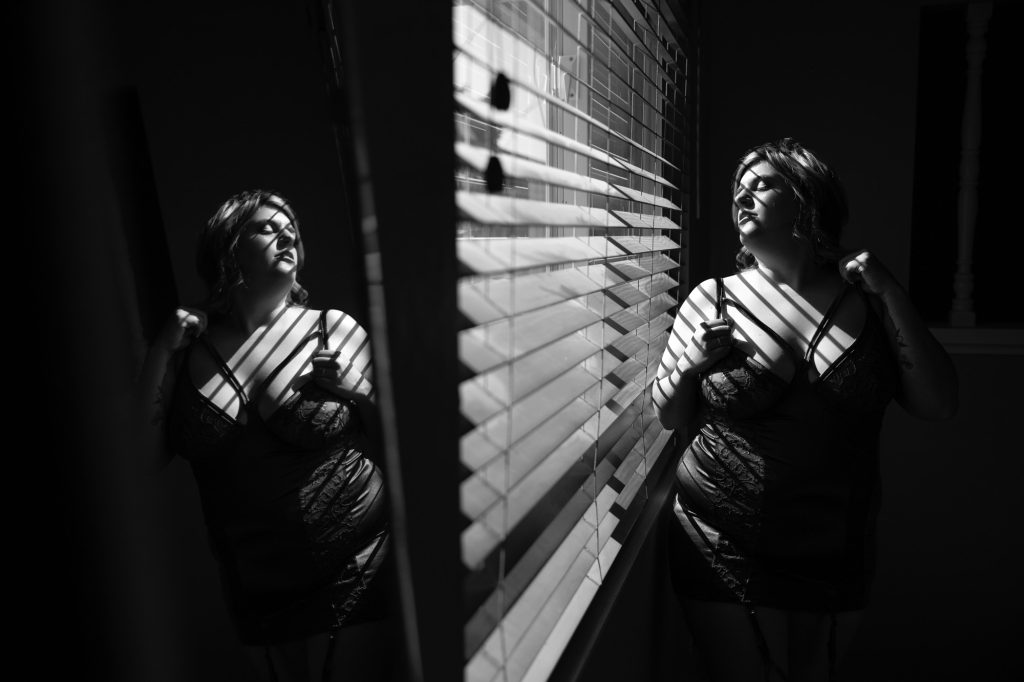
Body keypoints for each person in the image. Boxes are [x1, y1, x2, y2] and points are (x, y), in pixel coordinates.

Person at [653, 139, 957, 682]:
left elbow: (937, 404)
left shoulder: (865, 301)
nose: (742, 196)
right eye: (736, 189)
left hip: (835, 546)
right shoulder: (713, 298)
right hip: (721, 539)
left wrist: (891, 292)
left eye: (762, 184)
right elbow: (669, 415)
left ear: (806, 197)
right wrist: (694, 363)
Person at [139, 189, 394, 681]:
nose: (287, 234)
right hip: (256, 585)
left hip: (356, 562)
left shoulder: (332, 329)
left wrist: (357, 390)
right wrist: (159, 352)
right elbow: (137, 459)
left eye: (291, 228)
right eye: (267, 227)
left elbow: (406, 445)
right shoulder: (190, 348)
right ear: (229, 247)